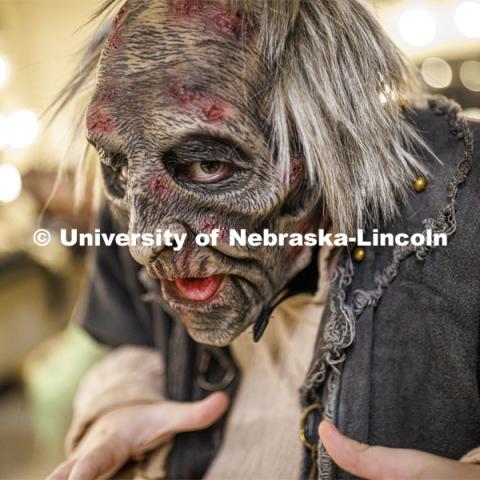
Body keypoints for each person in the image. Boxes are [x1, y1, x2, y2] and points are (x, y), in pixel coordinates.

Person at [48, 0, 480, 478]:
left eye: (207, 164)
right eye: (122, 165)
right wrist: (119, 406)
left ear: (329, 136)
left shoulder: (466, 193)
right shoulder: (133, 202)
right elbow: (129, 335)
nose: (143, 244)